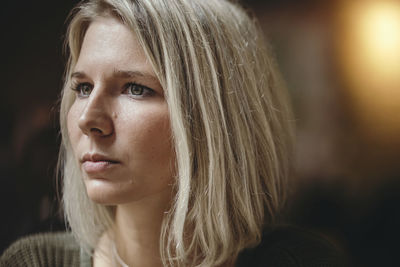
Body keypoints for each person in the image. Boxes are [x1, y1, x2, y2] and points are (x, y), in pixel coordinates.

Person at [1, 0, 347, 266]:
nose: (88, 119)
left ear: (215, 118)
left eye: (135, 88)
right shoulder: (32, 261)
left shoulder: (301, 261)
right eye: (83, 87)